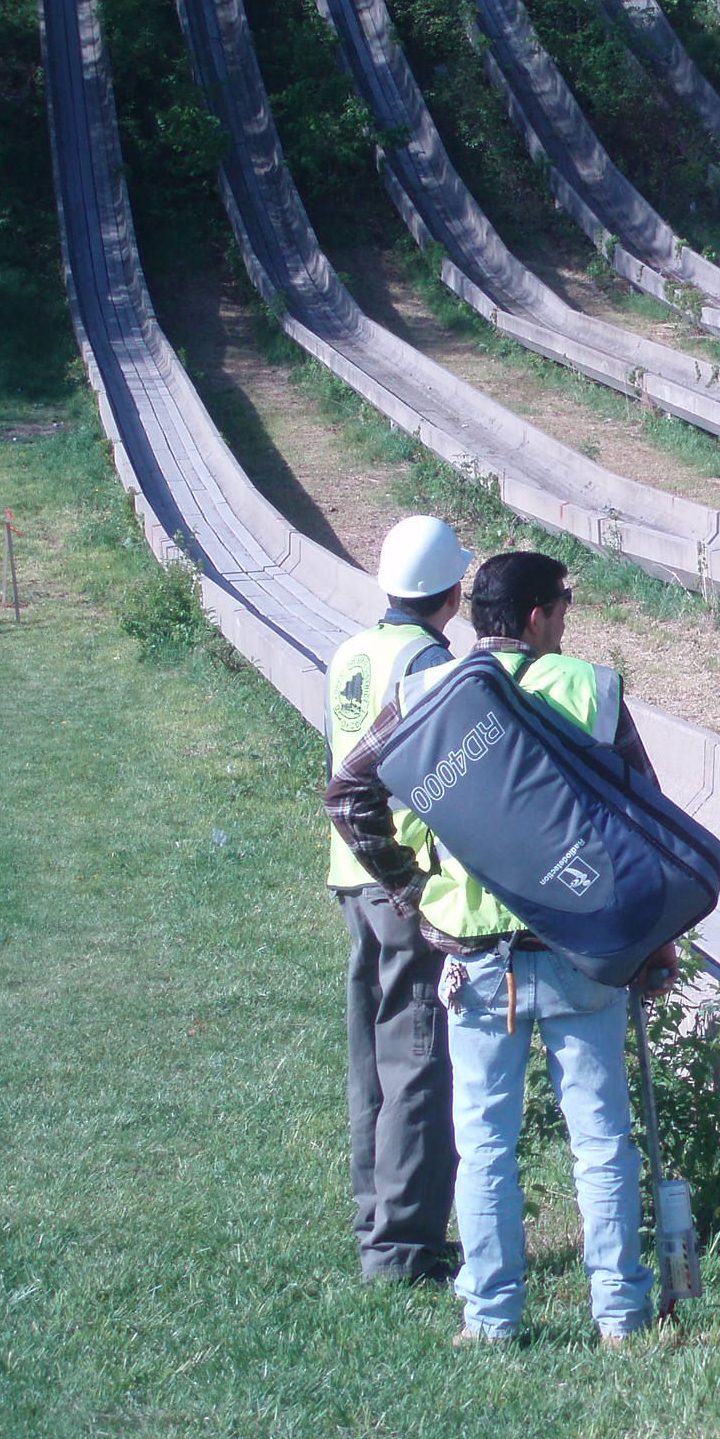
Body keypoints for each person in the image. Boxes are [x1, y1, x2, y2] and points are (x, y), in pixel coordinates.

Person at [327, 551, 677, 1346]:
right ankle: (621, 1315)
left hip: (476, 958)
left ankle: (490, 1319)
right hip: (583, 949)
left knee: (483, 1144)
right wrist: (655, 943)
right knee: (600, 1140)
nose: (565, 622)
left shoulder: (424, 693)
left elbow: (350, 797)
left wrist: (415, 891)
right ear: (534, 619)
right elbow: (648, 821)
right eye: (561, 607)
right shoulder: (592, 690)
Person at [326, 515, 470, 1284]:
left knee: (370, 1060)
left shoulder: (351, 651)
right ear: (451, 592)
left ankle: (372, 1218)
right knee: (417, 1057)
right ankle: (405, 1248)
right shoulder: (428, 664)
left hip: (351, 874)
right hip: (407, 879)